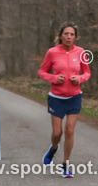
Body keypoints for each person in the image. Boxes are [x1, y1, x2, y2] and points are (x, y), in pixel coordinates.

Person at [37, 23, 90, 178]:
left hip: (74, 97)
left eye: (72, 34)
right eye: (66, 34)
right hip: (57, 98)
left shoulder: (80, 52)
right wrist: (54, 78)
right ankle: (54, 148)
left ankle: (66, 165)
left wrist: (79, 78)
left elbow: (87, 73)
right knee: (57, 132)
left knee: (70, 130)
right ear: (60, 36)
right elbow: (41, 71)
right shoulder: (52, 52)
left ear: (75, 37)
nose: (68, 37)